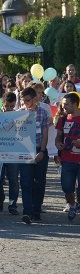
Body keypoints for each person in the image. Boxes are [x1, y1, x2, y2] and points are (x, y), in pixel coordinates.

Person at [18, 87, 50, 224]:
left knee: (39, 182)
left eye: (28, 100)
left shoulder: (43, 113)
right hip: (24, 151)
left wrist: (42, 151)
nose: (26, 103)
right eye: (23, 101)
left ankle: (36, 209)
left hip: (39, 150)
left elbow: (45, 133)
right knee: (25, 182)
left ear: (35, 99)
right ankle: (27, 211)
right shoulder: (19, 113)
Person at [55, 92, 80, 221]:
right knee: (66, 187)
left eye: (66, 105)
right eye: (63, 105)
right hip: (67, 160)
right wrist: (58, 143)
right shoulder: (63, 119)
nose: (64, 107)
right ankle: (72, 205)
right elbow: (58, 136)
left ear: (75, 104)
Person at [0, 92, 20, 215]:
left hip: (13, 153)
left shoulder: (18, 116)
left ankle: (12, 204)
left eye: (12, 106)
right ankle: (0, 199)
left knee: (13, 179)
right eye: (7, 106)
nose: (9, 109)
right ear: (3, 104)